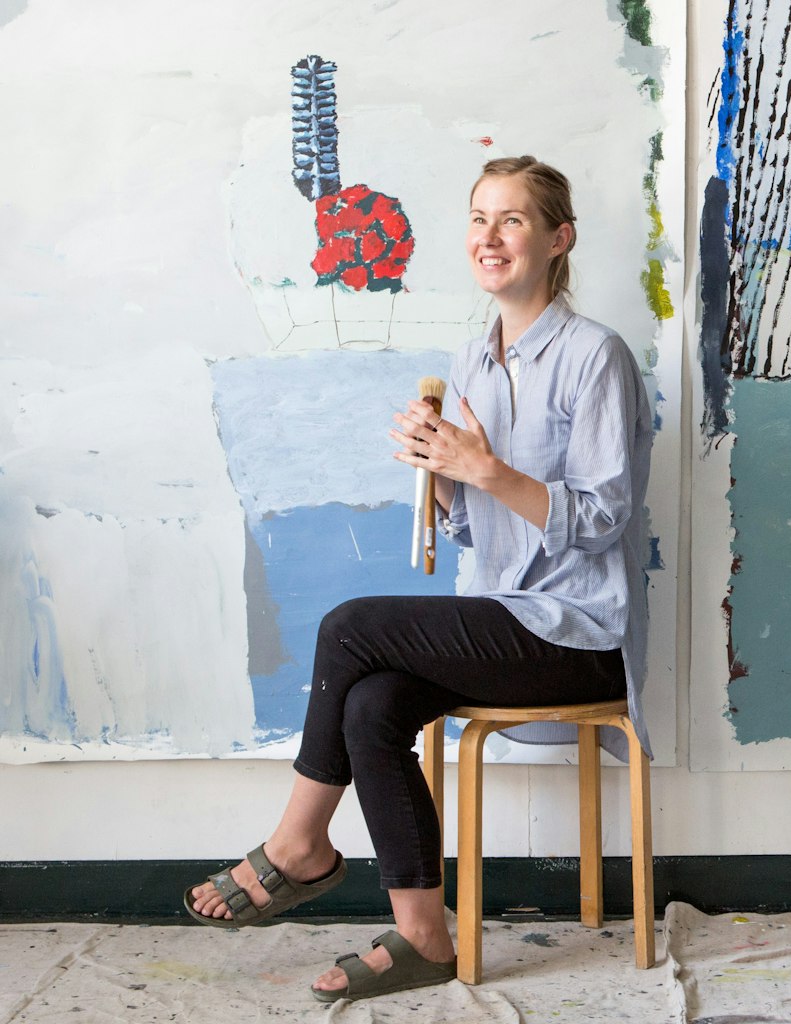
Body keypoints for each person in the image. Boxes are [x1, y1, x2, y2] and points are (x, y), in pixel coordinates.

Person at [184, 155, 654, 1003]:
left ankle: (299, 846)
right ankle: (424, 935)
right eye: (480, 218)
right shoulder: (470, 361)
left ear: (558, 239)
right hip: (503, 616)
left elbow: (604, 519)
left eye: (513, 220)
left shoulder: (597, 356)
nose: (490, 236)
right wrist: (440, 478)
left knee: (349, 626)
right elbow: (476, 525)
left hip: (578, 635)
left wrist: (487, 466)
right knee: (371, 704)